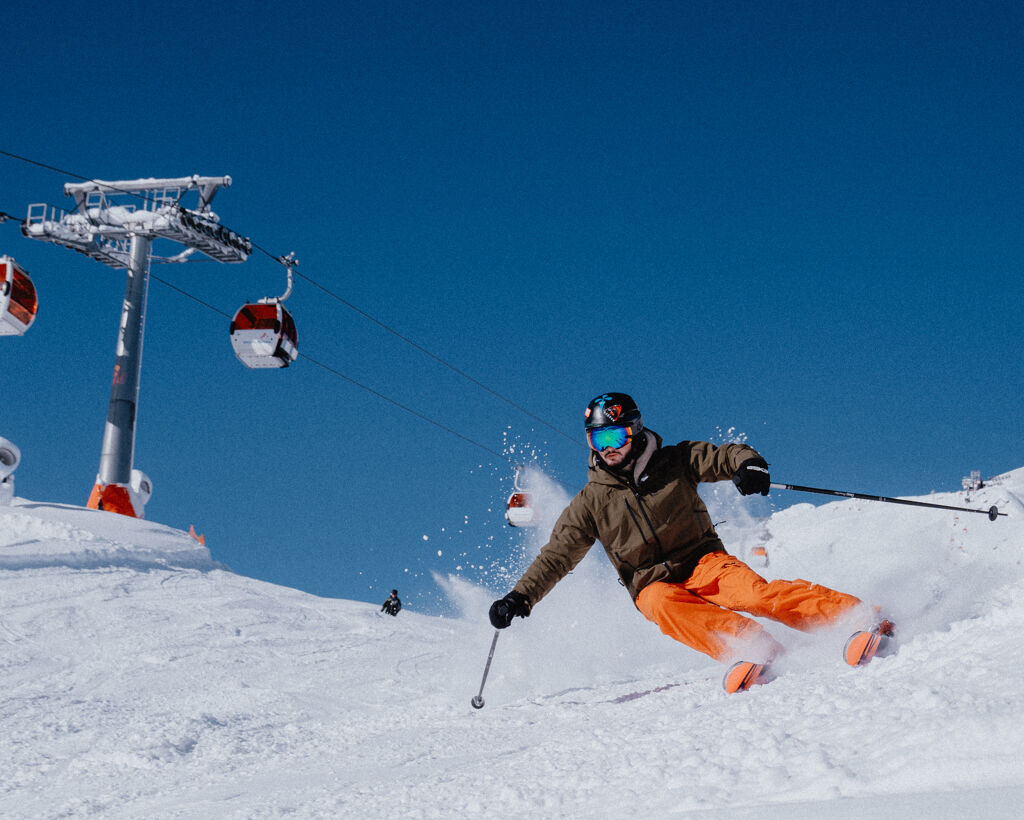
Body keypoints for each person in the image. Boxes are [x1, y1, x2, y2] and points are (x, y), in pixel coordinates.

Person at [489, 392, 894, 693]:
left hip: (702, 560)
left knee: (754, 595)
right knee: (659, 604)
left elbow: (724, 456)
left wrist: (747, 465)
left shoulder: (676, 460)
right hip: (652, 583)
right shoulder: (591, 502)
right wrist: (520, 598)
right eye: (599, 440)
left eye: (615, 436)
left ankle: (857, 617)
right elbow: (557, 555)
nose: (609, 449)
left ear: (634, 430)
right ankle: (754, 649)